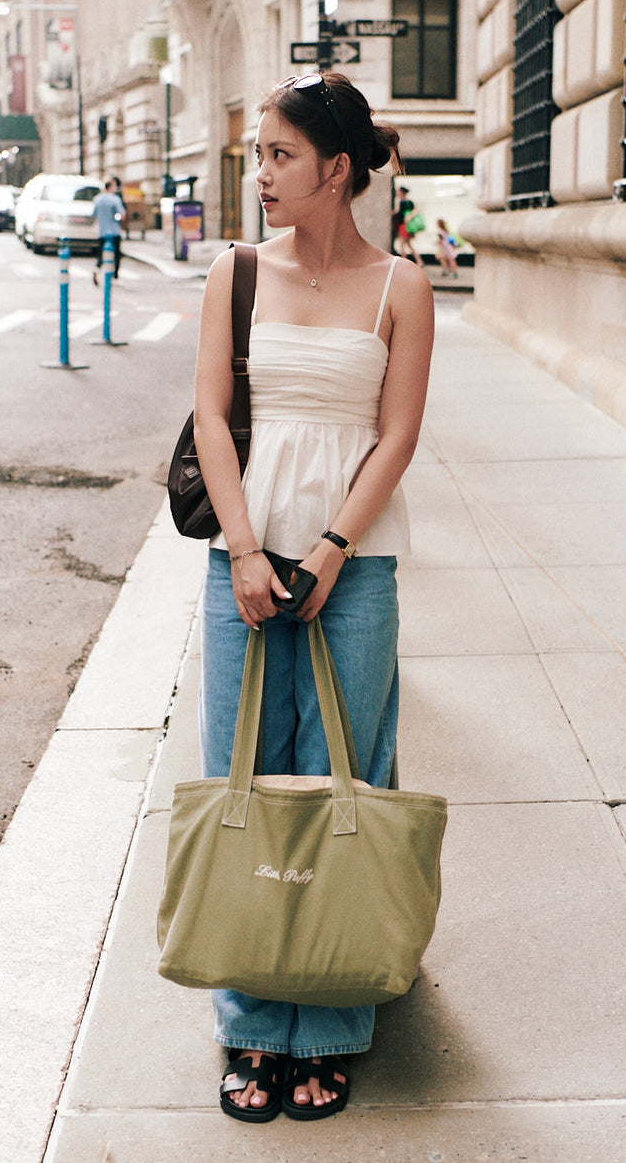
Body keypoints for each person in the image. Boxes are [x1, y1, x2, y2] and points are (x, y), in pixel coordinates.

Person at [192, 72, 434, 1124]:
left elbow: (398, 436)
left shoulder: (403, 287)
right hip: (242, 556)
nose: (262, 175)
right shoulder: (234, 273)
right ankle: (251, 1021)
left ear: (336, 170)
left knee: (348, 775)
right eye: (257, 155)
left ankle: (331, 1020)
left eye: (279, 156)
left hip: (355, 563)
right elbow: (209, 416)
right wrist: (246, 550)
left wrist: (332, 547)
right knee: (243, 772)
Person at [91, 176, 123, 283]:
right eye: (114, 186)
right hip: (114, 231)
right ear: (111, 187)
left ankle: (97, 268)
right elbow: (121, 215)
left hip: (102, 231)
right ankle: (115, 277)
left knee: (101, 254)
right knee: (116, 256)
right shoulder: (115, 199)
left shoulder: (97, 199)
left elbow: (94, 215)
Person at [391, 183, 422, 267]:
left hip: (404, 226)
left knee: (402, 245)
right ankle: (419, 261)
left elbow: (401, 213)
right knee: (408, 244)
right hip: (407, 226)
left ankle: (404, 263)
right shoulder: (409, 202)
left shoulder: (403, 202)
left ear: (402, 192)